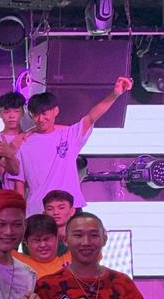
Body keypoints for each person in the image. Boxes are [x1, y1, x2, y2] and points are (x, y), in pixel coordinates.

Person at [16, 76, 133, 215]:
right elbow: (18, 183)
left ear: (55, 111)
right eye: (35, 115)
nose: (41, 119)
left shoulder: (69, 135)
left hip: (72, 207)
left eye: (44, 113)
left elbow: (92, 117)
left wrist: (115, 94)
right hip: (38, 211)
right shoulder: (23, 143)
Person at [36, 212, 148, 299]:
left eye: (94, 235)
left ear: (104, 239)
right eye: (78, 235)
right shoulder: (46, 286)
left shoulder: (123, 283)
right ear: (65, 240)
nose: (86, 242)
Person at [13, 214, 71, 278]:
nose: (42, 245)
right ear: (25, 241)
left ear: (57, 238)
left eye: (46, 239)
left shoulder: (73, 260)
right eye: (36, 240)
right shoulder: (16, 261)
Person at [0, 92, 28, 195]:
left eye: (16, 111)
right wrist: (11, 148)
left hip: (30, 194)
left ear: (23, 112)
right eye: (7, 112)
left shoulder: (29, 138)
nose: (12, 116)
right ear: (0, 114)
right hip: (4, 194)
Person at [43, 189, 76, 253]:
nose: (56, 212)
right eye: (50, 209)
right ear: (44, 213)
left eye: (61, 208)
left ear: (72, 211)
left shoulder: (80, 239)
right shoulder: (39, 240)